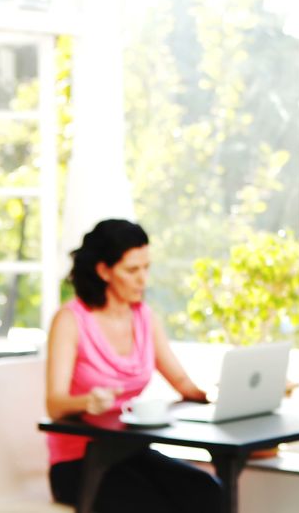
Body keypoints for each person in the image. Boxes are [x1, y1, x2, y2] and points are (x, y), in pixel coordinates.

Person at [45, 219, 222, 512]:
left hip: (129, 453)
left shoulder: (144, 317)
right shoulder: (70, 320)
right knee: (155, 506)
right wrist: (88, 401)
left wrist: (221, 392)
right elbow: (54, 404)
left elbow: (182, 384)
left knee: (206, 491)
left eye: (146, 268)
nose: (143, 280)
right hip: (78, 464)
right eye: (132, 270)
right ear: (104, 271)